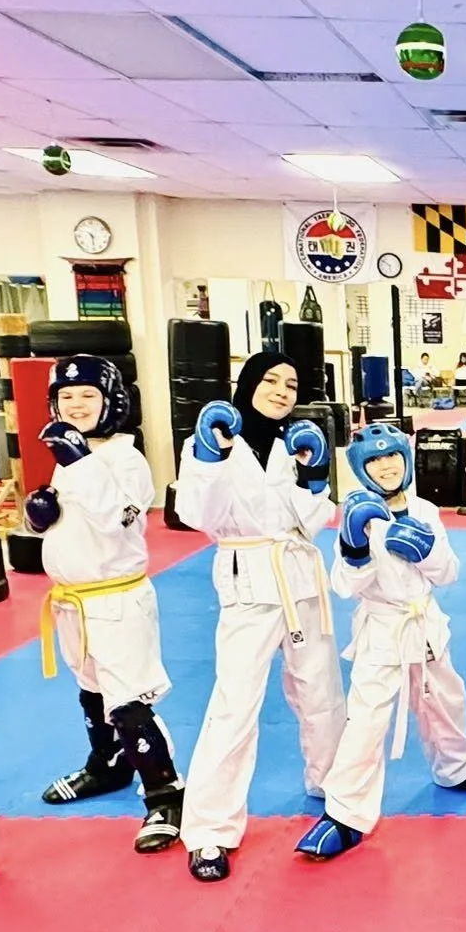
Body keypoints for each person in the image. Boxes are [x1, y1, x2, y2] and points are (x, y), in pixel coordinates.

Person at [297, 425, 466, 860]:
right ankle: (345, 812)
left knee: (445, 698)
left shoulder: (427, 510)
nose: (386, 465)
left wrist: (427, 550)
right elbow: (343, 585)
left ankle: (456, 765)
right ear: (361, 468)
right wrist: (355, 548)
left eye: (393, 456)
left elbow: (448, 572)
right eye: (375, 460)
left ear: (406, 459)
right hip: (382, 629)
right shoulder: (355, 513)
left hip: (425, 621)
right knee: (368, 718)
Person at [175, 353, 345, 883]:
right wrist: (208, 456)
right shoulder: (213, 438)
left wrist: (316, 478)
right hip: (248, 579)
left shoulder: (295, 443)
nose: (281, 390)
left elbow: (314, 521)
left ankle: (334, 789)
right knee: (235, 705)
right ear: (246, 383)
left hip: (300, 576)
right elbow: (194, 517)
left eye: (291, 383)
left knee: (321, 691)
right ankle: (208, 830)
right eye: (271, 380)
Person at [28, 356, 184, 854]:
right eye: (66, 398)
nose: (75, 405)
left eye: (87, 397)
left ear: (111, 402)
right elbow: (71, 526)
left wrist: (79, 462)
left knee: (129, 700)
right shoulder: (67, 456)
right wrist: (40, 516)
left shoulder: (125, 459)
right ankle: (108, 766)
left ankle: (166, 794)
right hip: (73, 603)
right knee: (91, 690)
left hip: (117, 600)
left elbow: (120, 518)